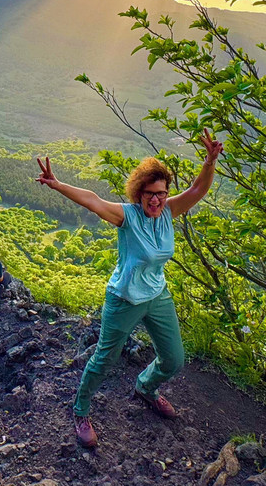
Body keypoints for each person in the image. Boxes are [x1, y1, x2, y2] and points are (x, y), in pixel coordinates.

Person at [35, 130, 224, 449]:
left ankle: (146, 388)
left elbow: (197, 189)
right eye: (150, 193)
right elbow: (93, 200)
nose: (156, 199)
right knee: (104, 360)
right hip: (124, 299)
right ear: (139, 193)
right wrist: (57, 184)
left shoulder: (169, 213)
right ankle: (80, 411)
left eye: (161, 193)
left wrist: (209, 160)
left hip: (158, 296)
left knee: (174, 359)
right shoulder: (128, 216)